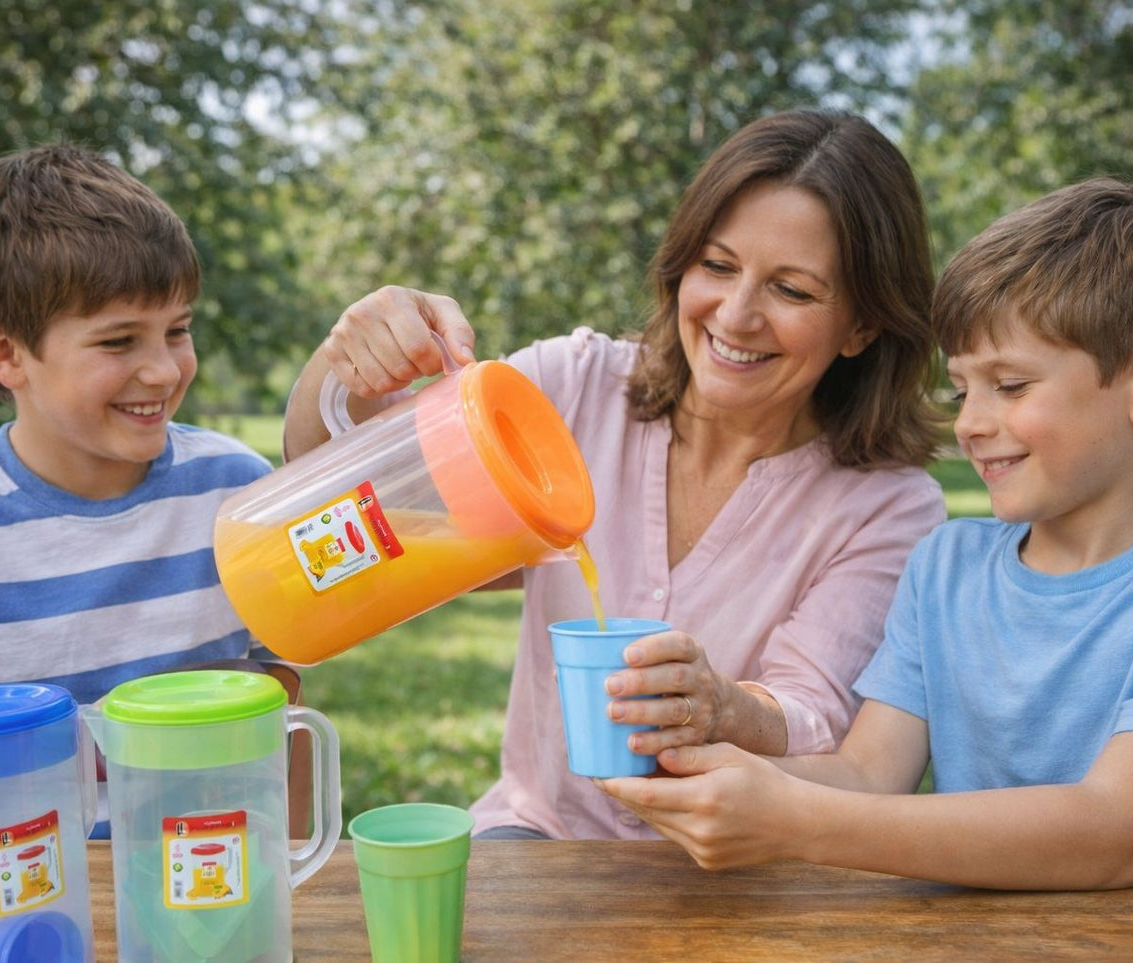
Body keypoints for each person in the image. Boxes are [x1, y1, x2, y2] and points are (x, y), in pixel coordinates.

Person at [601, 177, 1133, 888]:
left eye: (1011, 386)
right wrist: (706, 767)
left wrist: (790, 818)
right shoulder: (946, 568)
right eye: (962, 389)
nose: (968, 423)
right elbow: (867, 772)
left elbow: (1112, 831)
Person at [283, 108, 948, 839]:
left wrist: (725, 706)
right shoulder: (572, 388)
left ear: (861, 325)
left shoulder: (886, 506)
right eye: (717, 266)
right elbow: (334, 505)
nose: (735, 314)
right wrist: (344, 367)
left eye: (791, 290)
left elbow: (813, 713)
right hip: (536, 834)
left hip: (744, 868)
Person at [0, 144, 274, 838]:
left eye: (178, 330)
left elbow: (278, 719)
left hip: (203, 898)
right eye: (118, 341)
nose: (163, 369)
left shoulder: (236, 490)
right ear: (4, 351)